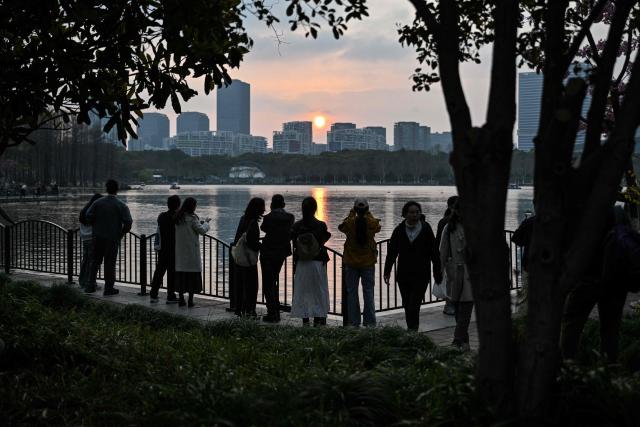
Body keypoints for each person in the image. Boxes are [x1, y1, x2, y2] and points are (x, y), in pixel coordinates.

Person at [560, 206, 632, 363]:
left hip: (589, 279)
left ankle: (569, 367)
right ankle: (609, 370)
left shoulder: (587, 213)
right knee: (611, 330)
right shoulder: (620, 214)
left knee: (572, 325)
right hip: (617, 282)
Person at [383, 201, 442, 331]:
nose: (414, 215)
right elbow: (392, 252)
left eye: (417, 212)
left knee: (414, 304)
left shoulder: (426, 229)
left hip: (422, 274)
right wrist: (387, 271)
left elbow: (434, 252)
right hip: (404, 275)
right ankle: (411, 331)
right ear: (405, 214)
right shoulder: (399, 230)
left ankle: (413, 331)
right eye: (411, 212)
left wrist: (437, 273)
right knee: (406, 303)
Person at [339, 198, 381, 327]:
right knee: (368, 292)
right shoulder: (371, 223)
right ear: (367, 210)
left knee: (352, 293)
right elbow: (377, 226)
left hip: (351, 262)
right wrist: (368, 213)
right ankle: (370, 322)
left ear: (355, 209)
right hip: (368, 262)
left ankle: (353, 322)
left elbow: (342, 226)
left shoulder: (350, 223)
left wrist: (352, 213)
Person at [86, 179, 132, 296]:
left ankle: (90, 285)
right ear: (117, 190)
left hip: (97, 237)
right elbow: (128, 222)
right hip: (112, 239)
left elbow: (88, 216)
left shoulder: (97, 203)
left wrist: (96, 225)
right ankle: (108, 288)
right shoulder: (121, 205)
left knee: (95, 261)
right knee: (110, 263)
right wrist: (121, 234)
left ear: (106, 189)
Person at [290, 197, 331, 326]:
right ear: (315, 209)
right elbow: (323, 240)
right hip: (318, 262)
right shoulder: (321, 225)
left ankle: (305, 320)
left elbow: (294, 244)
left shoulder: (296, 226)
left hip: (302, 263)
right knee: (318, 290)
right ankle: (318, 319)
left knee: (304, 291)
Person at [439, 201, 472, 349]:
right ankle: (464, 341)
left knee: (466, 307)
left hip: (470, 272)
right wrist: (439, 272)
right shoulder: (449, 228)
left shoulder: (475, 227)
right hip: (454, 271)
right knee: (458, 309)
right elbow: (443, 251)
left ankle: (457, 340)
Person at [260, 194, 294, 323]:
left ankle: (272, 313)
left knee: (268, 283)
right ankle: (276, 309)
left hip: (268, 253)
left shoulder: (268, 218)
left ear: (272, 204)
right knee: (274, 280)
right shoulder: (290, 217)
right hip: (281, 253)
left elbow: (263, 228)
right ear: (283, 204)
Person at [174, 197, 210, 307]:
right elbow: (202, 230)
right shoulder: (193, 218)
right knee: (192, 276)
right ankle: (190, 300)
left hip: (180, 252)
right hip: (191, 253)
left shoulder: (178, 218)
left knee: (182, 276)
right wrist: (207, 223)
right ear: (192, 206)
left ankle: (181, 299)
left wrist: (200, 223)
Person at [233, 198, 265, 317]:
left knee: (240, 285)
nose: (264, 209)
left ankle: (239, 309)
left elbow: (238, 238)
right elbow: (252, 243)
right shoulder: (253, 223)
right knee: (251, 286)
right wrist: (261, 246)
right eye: (262, 207)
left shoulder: (243, 219)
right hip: (248, 259)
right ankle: (250, 311)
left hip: (239, 258)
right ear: (257, 209)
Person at [149, 195, 181, 304]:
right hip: (174, 249)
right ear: (178, 205)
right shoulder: (178, 217)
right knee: (172, 273)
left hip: (162, 249)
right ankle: (170, 296)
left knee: (159, 271)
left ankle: (153, 294)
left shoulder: (162, 216)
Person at [435, 195, 459, 316]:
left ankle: (451, 304)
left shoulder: (444, 221)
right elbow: (440, 242)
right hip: (450, 257)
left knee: (452, 281)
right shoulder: (446, 222)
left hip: (451, 257)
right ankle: (451, 304)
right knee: (453, 281)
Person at [511, 211, 535, 316]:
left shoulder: (530, 222)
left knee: (526, 298)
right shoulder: (558, 222)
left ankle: (524, 325)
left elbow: (516, 239)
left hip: (531, 266)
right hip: (553, 269)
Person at [78, 193, 102, 290]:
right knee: (93, 262)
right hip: (93, 239)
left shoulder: (84, 210)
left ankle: (82, 281)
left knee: (85, 261)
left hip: (84, 238)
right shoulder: (94, 212)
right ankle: (91, 283)